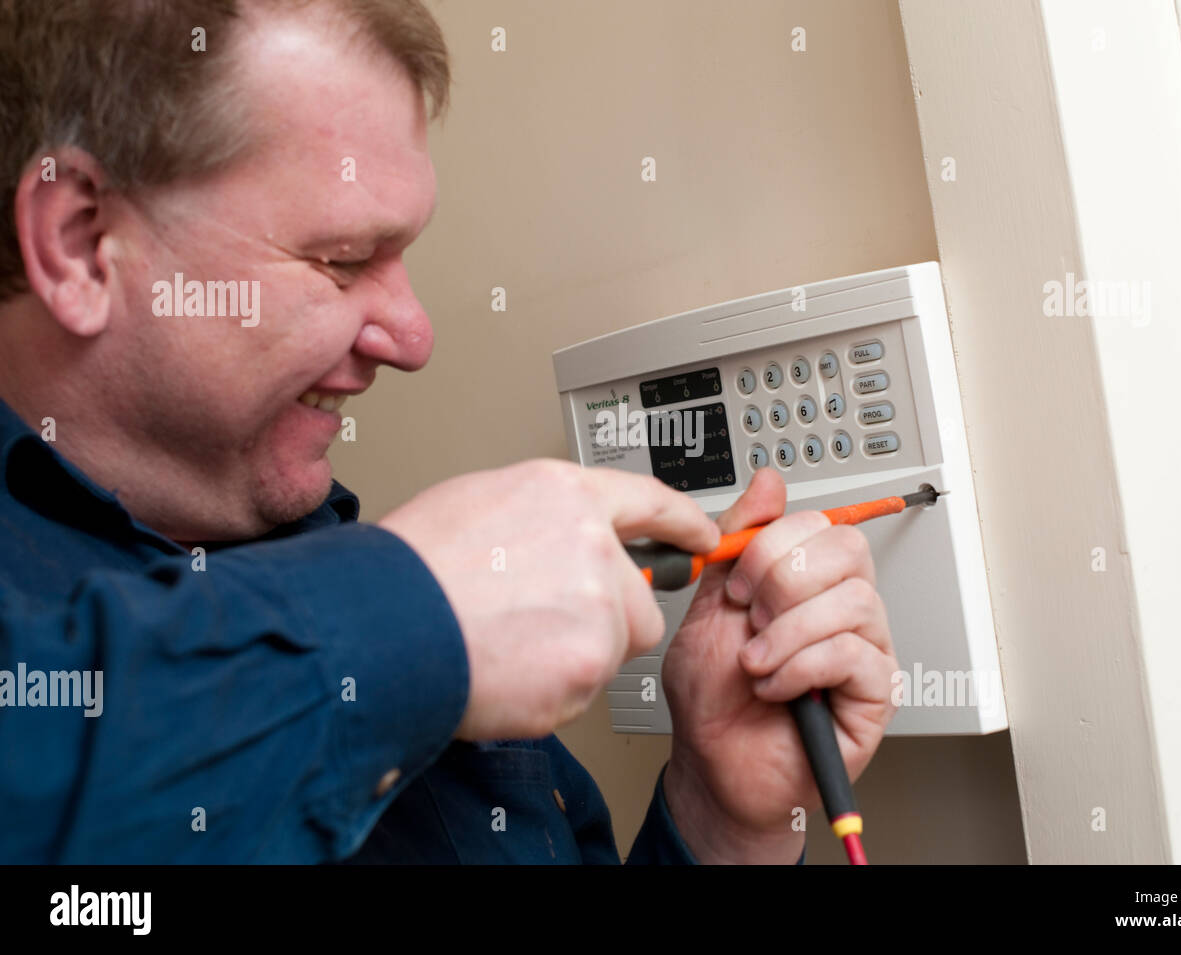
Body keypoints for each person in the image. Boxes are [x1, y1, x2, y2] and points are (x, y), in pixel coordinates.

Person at [0, 0, 898, 864]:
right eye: (342, 258)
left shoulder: (338, 560)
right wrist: (412, 616)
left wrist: (721, 823)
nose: (415, 338)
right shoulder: (408, 610)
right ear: (80, 243)